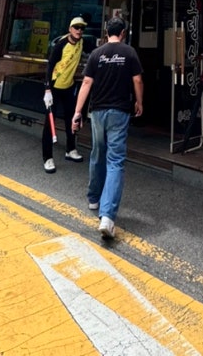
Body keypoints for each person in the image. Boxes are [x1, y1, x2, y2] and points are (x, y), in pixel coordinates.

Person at [71, 16, 143, 240]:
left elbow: (86, 83)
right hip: (119, 112)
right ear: (123, 33)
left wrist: (77, 112)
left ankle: (94, 199)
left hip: (97, 111)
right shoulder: (129, 52)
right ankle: (108, 217)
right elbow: (137, 80)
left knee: (97, 153)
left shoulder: (96, 53)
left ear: (106, 32)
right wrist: (139, 102)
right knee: (115, 161)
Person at [41, 15, 87, 173]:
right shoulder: (61, 44)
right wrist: (47, 89)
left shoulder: (81, 42)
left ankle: (71, 149)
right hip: (54, 87)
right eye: (76, 27)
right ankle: (47, 158)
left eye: (82, 28)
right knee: (49, 123)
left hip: (69, 86)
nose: (79, 30)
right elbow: (50, 65)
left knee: (72, 118)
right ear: (70, 29)